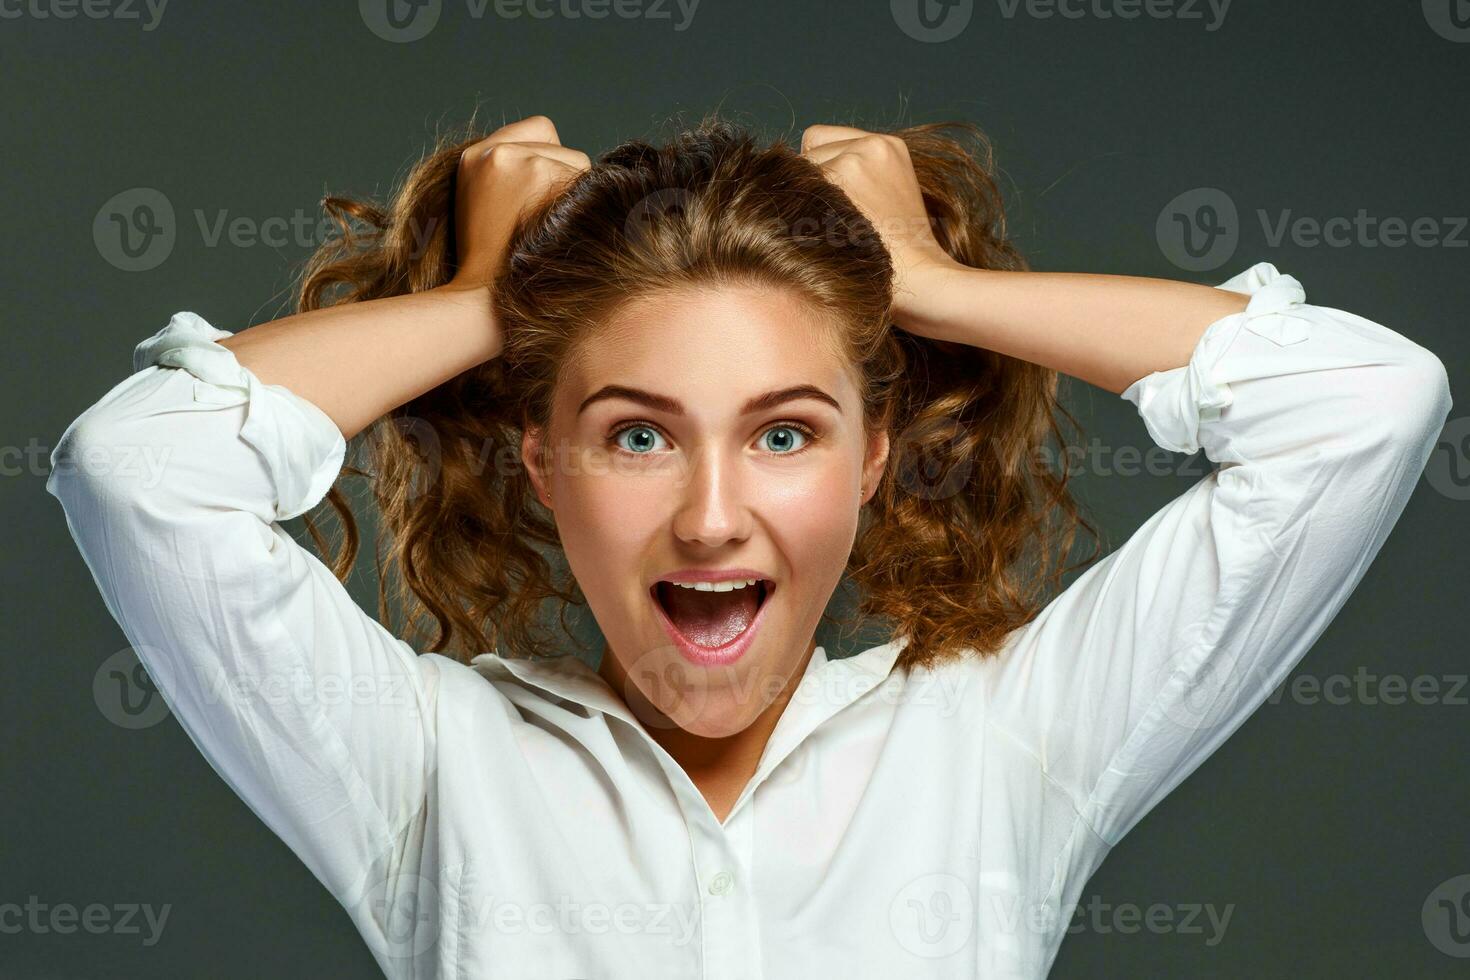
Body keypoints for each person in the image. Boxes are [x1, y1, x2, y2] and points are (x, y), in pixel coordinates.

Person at [46, 113, 1451, 978]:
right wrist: (494, 297)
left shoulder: (1003, 738)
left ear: (871, 459)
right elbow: (134, 471)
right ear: (542, 460)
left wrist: (933, 288)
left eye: (784, 433)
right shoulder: (418, 765)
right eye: (636, 434)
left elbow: (1360, 407)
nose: (712, 515)